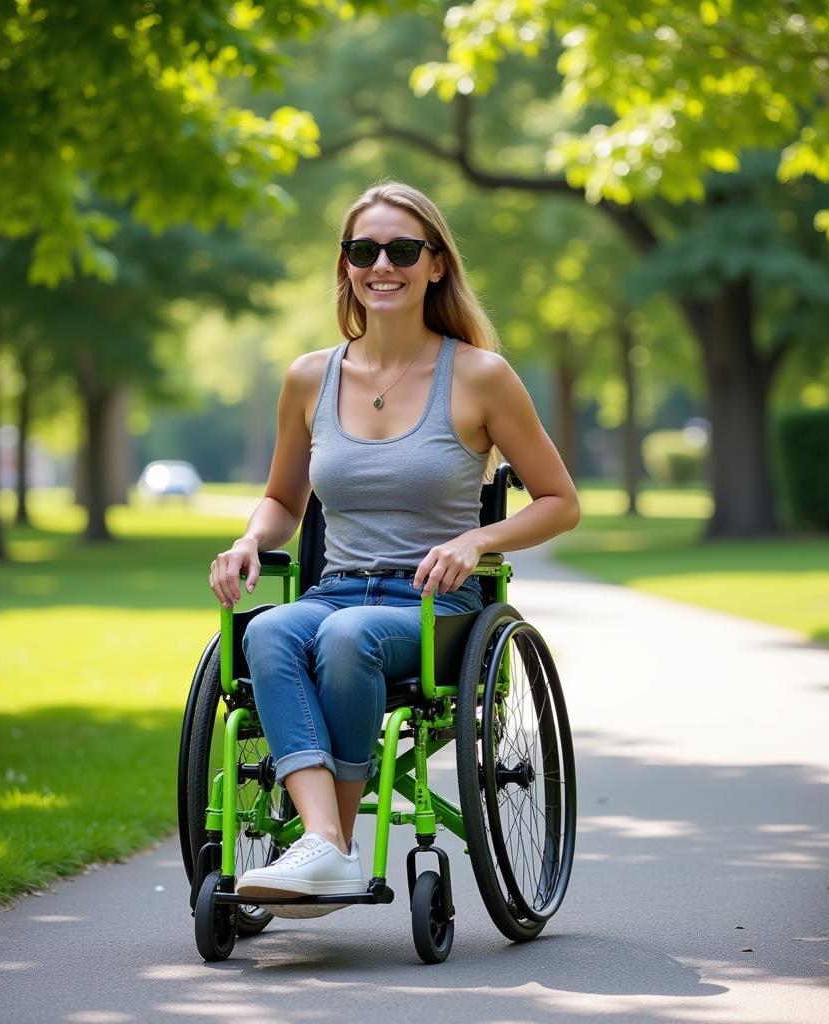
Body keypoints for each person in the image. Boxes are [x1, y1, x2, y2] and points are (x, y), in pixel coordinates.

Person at [208, 180, 580, 913]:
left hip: (437, 609)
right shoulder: (310, 377)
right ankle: (327, 844)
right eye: (363, 250)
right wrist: (251, 539)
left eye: (403, 249)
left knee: (349, 638)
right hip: (336, 590)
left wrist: (478, 539)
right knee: (274, 629)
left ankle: (327, 848)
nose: (383, 263)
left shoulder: (479, 376)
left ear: (436, 264)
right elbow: (285, 501)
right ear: (345, 265)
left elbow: (560, 502)